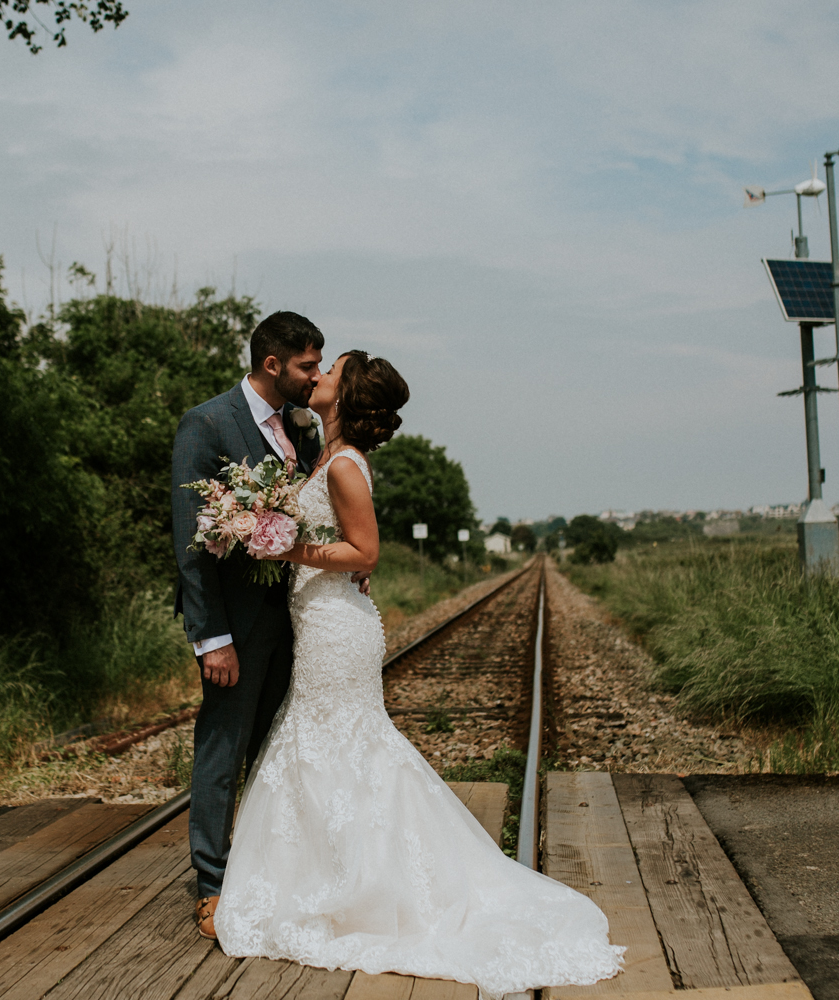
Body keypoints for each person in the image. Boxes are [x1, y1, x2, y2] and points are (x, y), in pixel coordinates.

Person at [212, 351, 626, 999]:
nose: (316, 376)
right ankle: (337, 873)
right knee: (325, 746)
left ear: (343, 394)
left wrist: (283, 544)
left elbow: (365, 550)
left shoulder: (344, 466)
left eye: (330, 369)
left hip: (337, 628)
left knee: (340, 745)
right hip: (318, 618)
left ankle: (362, 884)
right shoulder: (322, 454)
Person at [171, 311, 328, 940]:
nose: (315, 378)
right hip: (236, 626)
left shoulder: (304, 429)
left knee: (276, 748)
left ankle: (270, 873)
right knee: (222, 749)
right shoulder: (207, 423)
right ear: (273, 365)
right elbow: (191, 539)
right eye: (307, 366)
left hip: (298, 621)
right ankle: (212, 884)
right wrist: (212, 638)